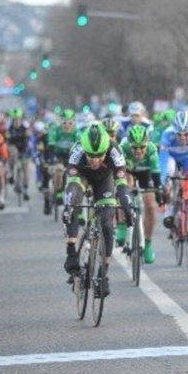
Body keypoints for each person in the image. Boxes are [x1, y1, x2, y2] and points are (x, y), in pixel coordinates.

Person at [62, 123, 133, 297]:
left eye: (100, 155)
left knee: (107, 223)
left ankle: (103, 274)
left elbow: (122, 187)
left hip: (104, 180)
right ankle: (71, 251)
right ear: (84, 150)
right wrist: (68, 207)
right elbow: (72, 184)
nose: (95, 160)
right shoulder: (77, 150)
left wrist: (128, 207)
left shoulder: (114, 150)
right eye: (91, 156)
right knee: (73, 203)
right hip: (82, 177)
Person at [119, 124, 165, 264]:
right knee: (125, 189)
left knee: (150, 206)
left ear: (147, 144)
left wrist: (159, 195)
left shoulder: (151, 149)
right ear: (129, 145)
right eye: (135, 148)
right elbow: (119, 173)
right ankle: (122, 225)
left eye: (142, 147)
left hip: (146, 174)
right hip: (128, 171)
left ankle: (148, 244)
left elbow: (156, 175)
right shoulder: (123, 148)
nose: (138, 151)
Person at [160, 111, 188, 255]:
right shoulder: (167, 135)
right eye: (180, 135)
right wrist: (164, 179)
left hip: (187, 160)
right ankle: (170, 209)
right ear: (174, 132)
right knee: (169, 174)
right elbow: (163, 160)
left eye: (186, 134)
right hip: (171, 158)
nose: (183, 138)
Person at [47, 109, 80, 209]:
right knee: (59, 169)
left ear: (73, 122)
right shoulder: (55, 131)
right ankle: (59, 192)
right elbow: (51, 142)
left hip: (71, 156)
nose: (67, 125)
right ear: (61, 122)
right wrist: (52, 142)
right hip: (58, 155)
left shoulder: (77, 132)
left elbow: (80, 143)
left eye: (70, 122)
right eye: (64, 122)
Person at [5, 108, 31, 200]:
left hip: (23, 150)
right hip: (13, 151)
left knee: (25, 170)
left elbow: (28, 143)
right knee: (13, 151)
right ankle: (11, 173)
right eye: (14, 120)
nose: (16, 122)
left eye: (18, 120)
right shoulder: (9, 129)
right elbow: (7, 143)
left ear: (21, 120)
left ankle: (25, 189)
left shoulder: (25, 129)